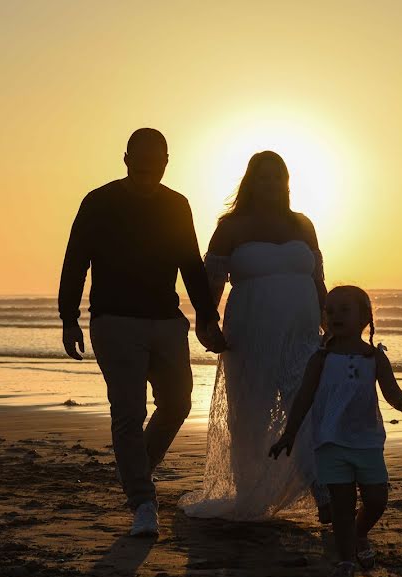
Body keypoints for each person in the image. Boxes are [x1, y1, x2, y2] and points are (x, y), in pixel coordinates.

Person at [58, 128, 226, 537]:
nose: (150, 162)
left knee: (178, 404)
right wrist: (68, 317)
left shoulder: (176, 205)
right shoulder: (99, 202)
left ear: (167, 161)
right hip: (114, 322)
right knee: (129, 413)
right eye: (142, 154)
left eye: (158, 156)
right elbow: (76, 259)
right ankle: (143, 501)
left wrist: (207, 315)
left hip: (167, 322)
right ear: (127, 157)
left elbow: (190, 262)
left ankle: (136, 473)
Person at [178, 151, 331, 520]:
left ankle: (322, 491)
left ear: (287, 182)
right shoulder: (231, 227)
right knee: (250, 414)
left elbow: (318, 280)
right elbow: (210, 284)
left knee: (308, 408)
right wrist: (205, 323)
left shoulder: (303, 225)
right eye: (263, 177)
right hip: (250, 332)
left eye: (277, 177)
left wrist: (335, 327)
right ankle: (251, 495)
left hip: (303, 334)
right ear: (250, 181)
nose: (271, 184)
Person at [270, 285, 402, 577]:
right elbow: (304, 398)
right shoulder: (320, 358)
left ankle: (360, 534)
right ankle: (346, 559)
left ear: (364, 318)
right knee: (341, 506)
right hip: (330, 441)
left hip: (367, 441)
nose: (335, 315)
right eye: (330, 310)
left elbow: (389, 388)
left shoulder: (374, 357)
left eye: (344, 310)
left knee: (376, 500)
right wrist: (289, 433)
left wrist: (401, 401)